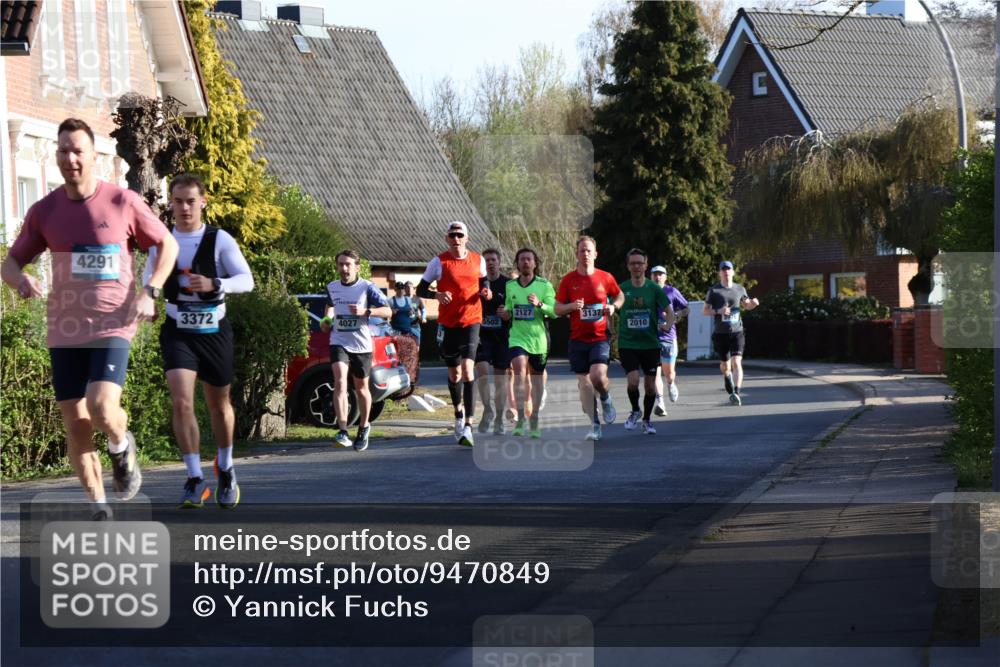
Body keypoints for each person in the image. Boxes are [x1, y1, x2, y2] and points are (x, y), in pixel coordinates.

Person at [1, 118, 179, 520]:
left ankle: (120, 443)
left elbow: (166, 244)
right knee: (76, 422)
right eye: (63, 150)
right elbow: (10, 263)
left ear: (93, 155)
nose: (70, 159)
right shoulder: (45, 211)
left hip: (113, 322)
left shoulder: (121, 202)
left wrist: (150, 290)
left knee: (100, 406)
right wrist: (20, 280)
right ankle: (98, 506)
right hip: (64, 328)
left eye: (77, 150)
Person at [143, 174, 254, 509]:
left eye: (191, 201)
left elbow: (246, 280)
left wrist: (215, 284)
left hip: (214, 330)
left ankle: (226, 467)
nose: (185, 208)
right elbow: (150, 279)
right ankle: (194, 477)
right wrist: (149, 299)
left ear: (203, 202)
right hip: (178, 330)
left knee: (219, 404)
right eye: (178, 201)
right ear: (171, 204)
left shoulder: (219, 239)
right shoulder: (161, 241)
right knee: (181, 402)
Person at [417, 221, 491, 447]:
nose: (456, 239)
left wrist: (486, 291)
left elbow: (484, 280)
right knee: (454, 373)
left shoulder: (478, 260)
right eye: (452, 235)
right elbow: (420, 289)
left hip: (472, 321)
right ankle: (458, 414)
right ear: (446, 238)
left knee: (468, 370)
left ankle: (468, 425)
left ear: (467, 238)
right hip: (448, 324)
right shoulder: (438, 262)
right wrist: (437, 295)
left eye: (460, 235)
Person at [321, 250, 392, 450]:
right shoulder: (332, 287)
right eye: (341, 264)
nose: (344, 268)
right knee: (339, 381)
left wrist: (366, 311)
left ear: (357, 267)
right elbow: (330, 307)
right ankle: (343, 430)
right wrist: (327, 320)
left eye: (348, 265)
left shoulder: (367, 287)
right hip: (339, 340)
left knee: (361, 388)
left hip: (361, 344)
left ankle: (364, 426)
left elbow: (387, 311)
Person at [555, 236, 624, 442]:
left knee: (598, 377)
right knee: (585, 384)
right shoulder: (568, 280)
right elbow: (557, 308)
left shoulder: (605, 277)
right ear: (576, 254)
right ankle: (595, 425)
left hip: (600, 337)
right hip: (577, 339)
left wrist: (613, 306)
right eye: (581, 251)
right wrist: (571, 306)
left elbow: (620, 296)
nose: (585, 254)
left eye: (588, 251)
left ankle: (606, 398)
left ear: (595, 254)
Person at [500, 247, 555, 438]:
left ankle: (535, 418)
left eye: (528, 259)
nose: (525, 262)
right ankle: (521, 418)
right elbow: (509, 308)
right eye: (522, 259)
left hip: (539, 339)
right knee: (519, 370)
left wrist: (540, 304)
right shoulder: (510, 286)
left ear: (534, 263)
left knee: (537, 381)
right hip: (518, 337)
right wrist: (505, 313)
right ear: (517, 263)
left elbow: (554, 311)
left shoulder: (544, 285)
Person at [618, 250, 674, 435]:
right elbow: (611, 308)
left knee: (650, 386)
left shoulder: (653, 288)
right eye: (633, 263)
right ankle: (635, 410)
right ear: (628, 266)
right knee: (633, 381)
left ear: (645, 265)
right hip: (628, 343)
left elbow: (670, 312)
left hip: (650, 344)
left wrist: (668, 325)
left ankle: (647, 420)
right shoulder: (621, 288)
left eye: (640, 263)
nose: (636, 266)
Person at [703, 260, 760, 406]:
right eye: (723, 270)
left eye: (728, 269)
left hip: (737, 332)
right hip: (720, 333)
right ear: (720, 273)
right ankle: (727, 376)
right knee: (725, 365)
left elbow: (746, 305)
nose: (726, 272)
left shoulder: (740, 289)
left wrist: (753, 304)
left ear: (733, 272)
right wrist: (719, 311)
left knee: (736, 362)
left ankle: (736, 392)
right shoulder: (713, 291)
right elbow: (705, 311)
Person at [475, 248, 511, 435]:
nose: (490, 263)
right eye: (487, 260)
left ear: (499, 262)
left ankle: (499, 418)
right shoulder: (477, 283)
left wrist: (507, 313)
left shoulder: (508, 284)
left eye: (493, 260)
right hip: (482, 335)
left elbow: (515, 307)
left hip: (502, 336)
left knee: (499, 379)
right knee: (481, 371)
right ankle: (487, 409)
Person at [650, 265, 690, 414]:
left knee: (669, 373)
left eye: (660, 274)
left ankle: (671, 383)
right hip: (651, 338)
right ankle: (660, 402)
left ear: (665, 277)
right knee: (654, 372)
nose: (657, 277)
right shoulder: (646, 292)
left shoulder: (672, 292)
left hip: (668, 337)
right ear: (650, 277)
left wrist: (676, 315)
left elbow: (687, 308)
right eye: (655, 274)